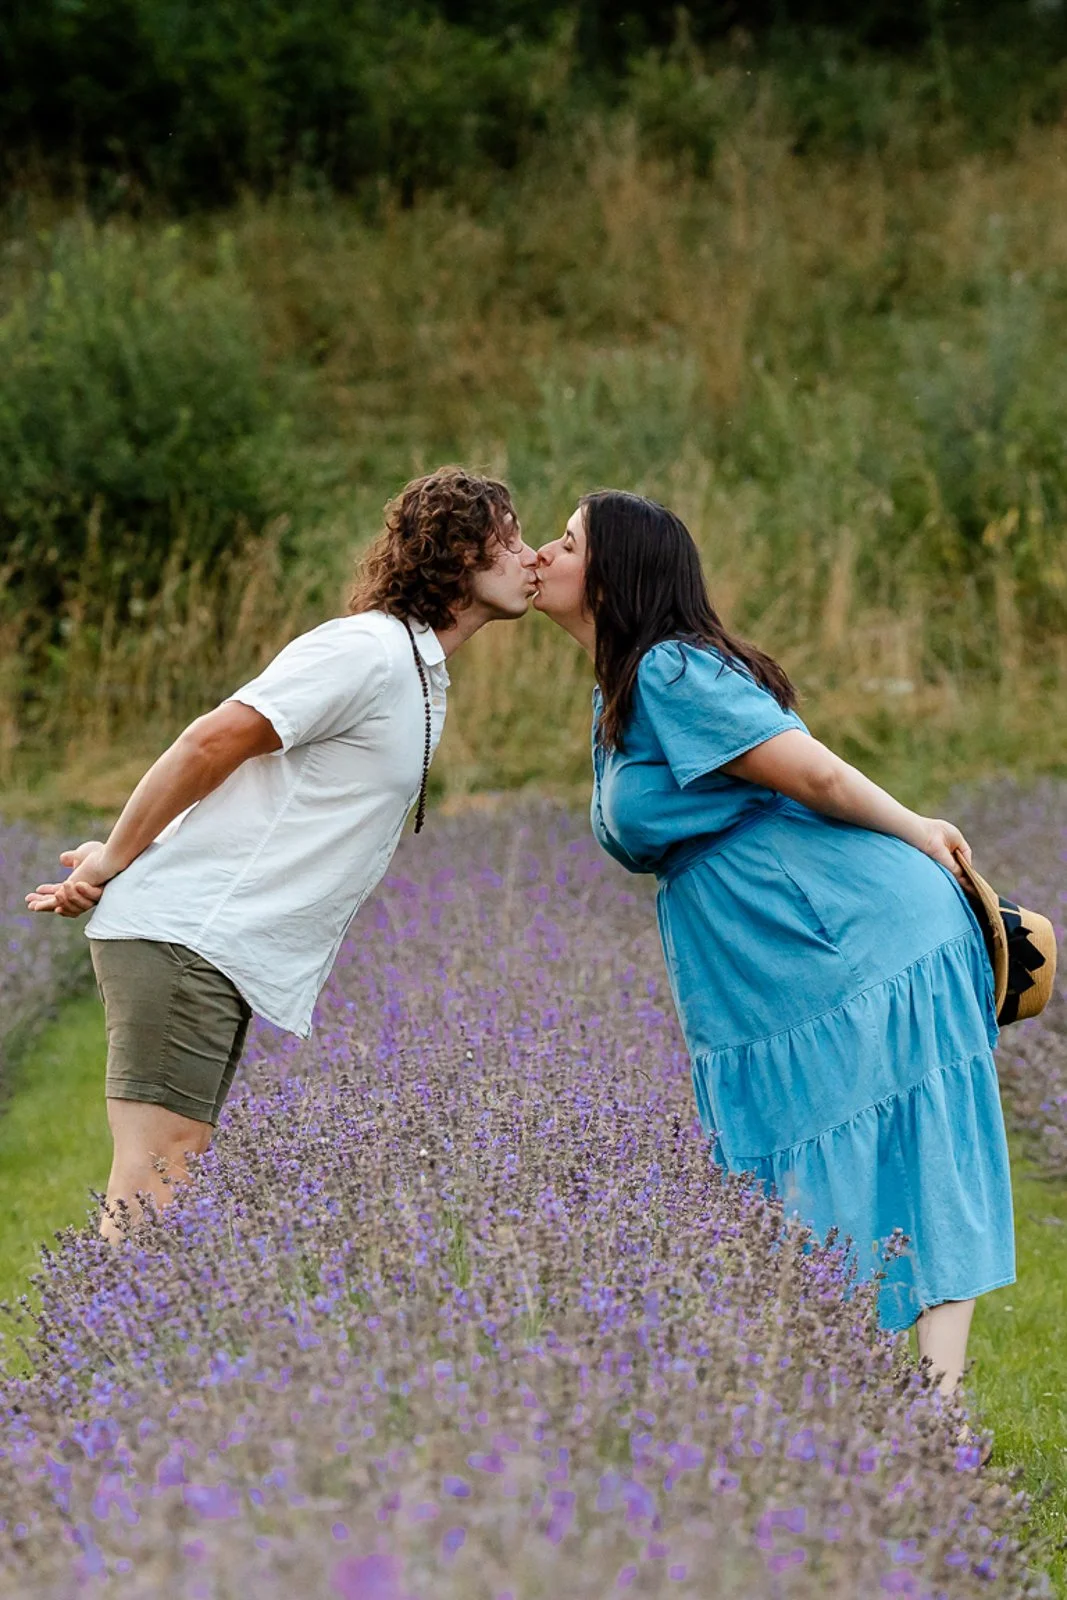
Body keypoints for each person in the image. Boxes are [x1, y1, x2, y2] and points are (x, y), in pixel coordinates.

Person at [533, 489, 1014, 1401]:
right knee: (801, 1165)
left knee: (912, 1140)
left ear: (614, 575)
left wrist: (920, 829)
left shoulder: (672, 671)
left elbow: (814, 770)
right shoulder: (621, 690)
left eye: (567, 543)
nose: (546, 556)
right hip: (764, 963)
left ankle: (937, 1414)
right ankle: (855, 1401)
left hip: (852, 941)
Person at [27, 466, 539, 1243]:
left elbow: (264, 799)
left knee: (175, 1173)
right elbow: (212, 740)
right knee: (159, 1178)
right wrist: (110, 864)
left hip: (208, 942)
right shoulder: (365, 651)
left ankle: (135, 1351)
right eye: (513, 539)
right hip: (185, 939)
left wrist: (138, 852)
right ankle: (107, 1352)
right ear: (462, 555)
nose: (532, 557)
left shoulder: (413, 668)